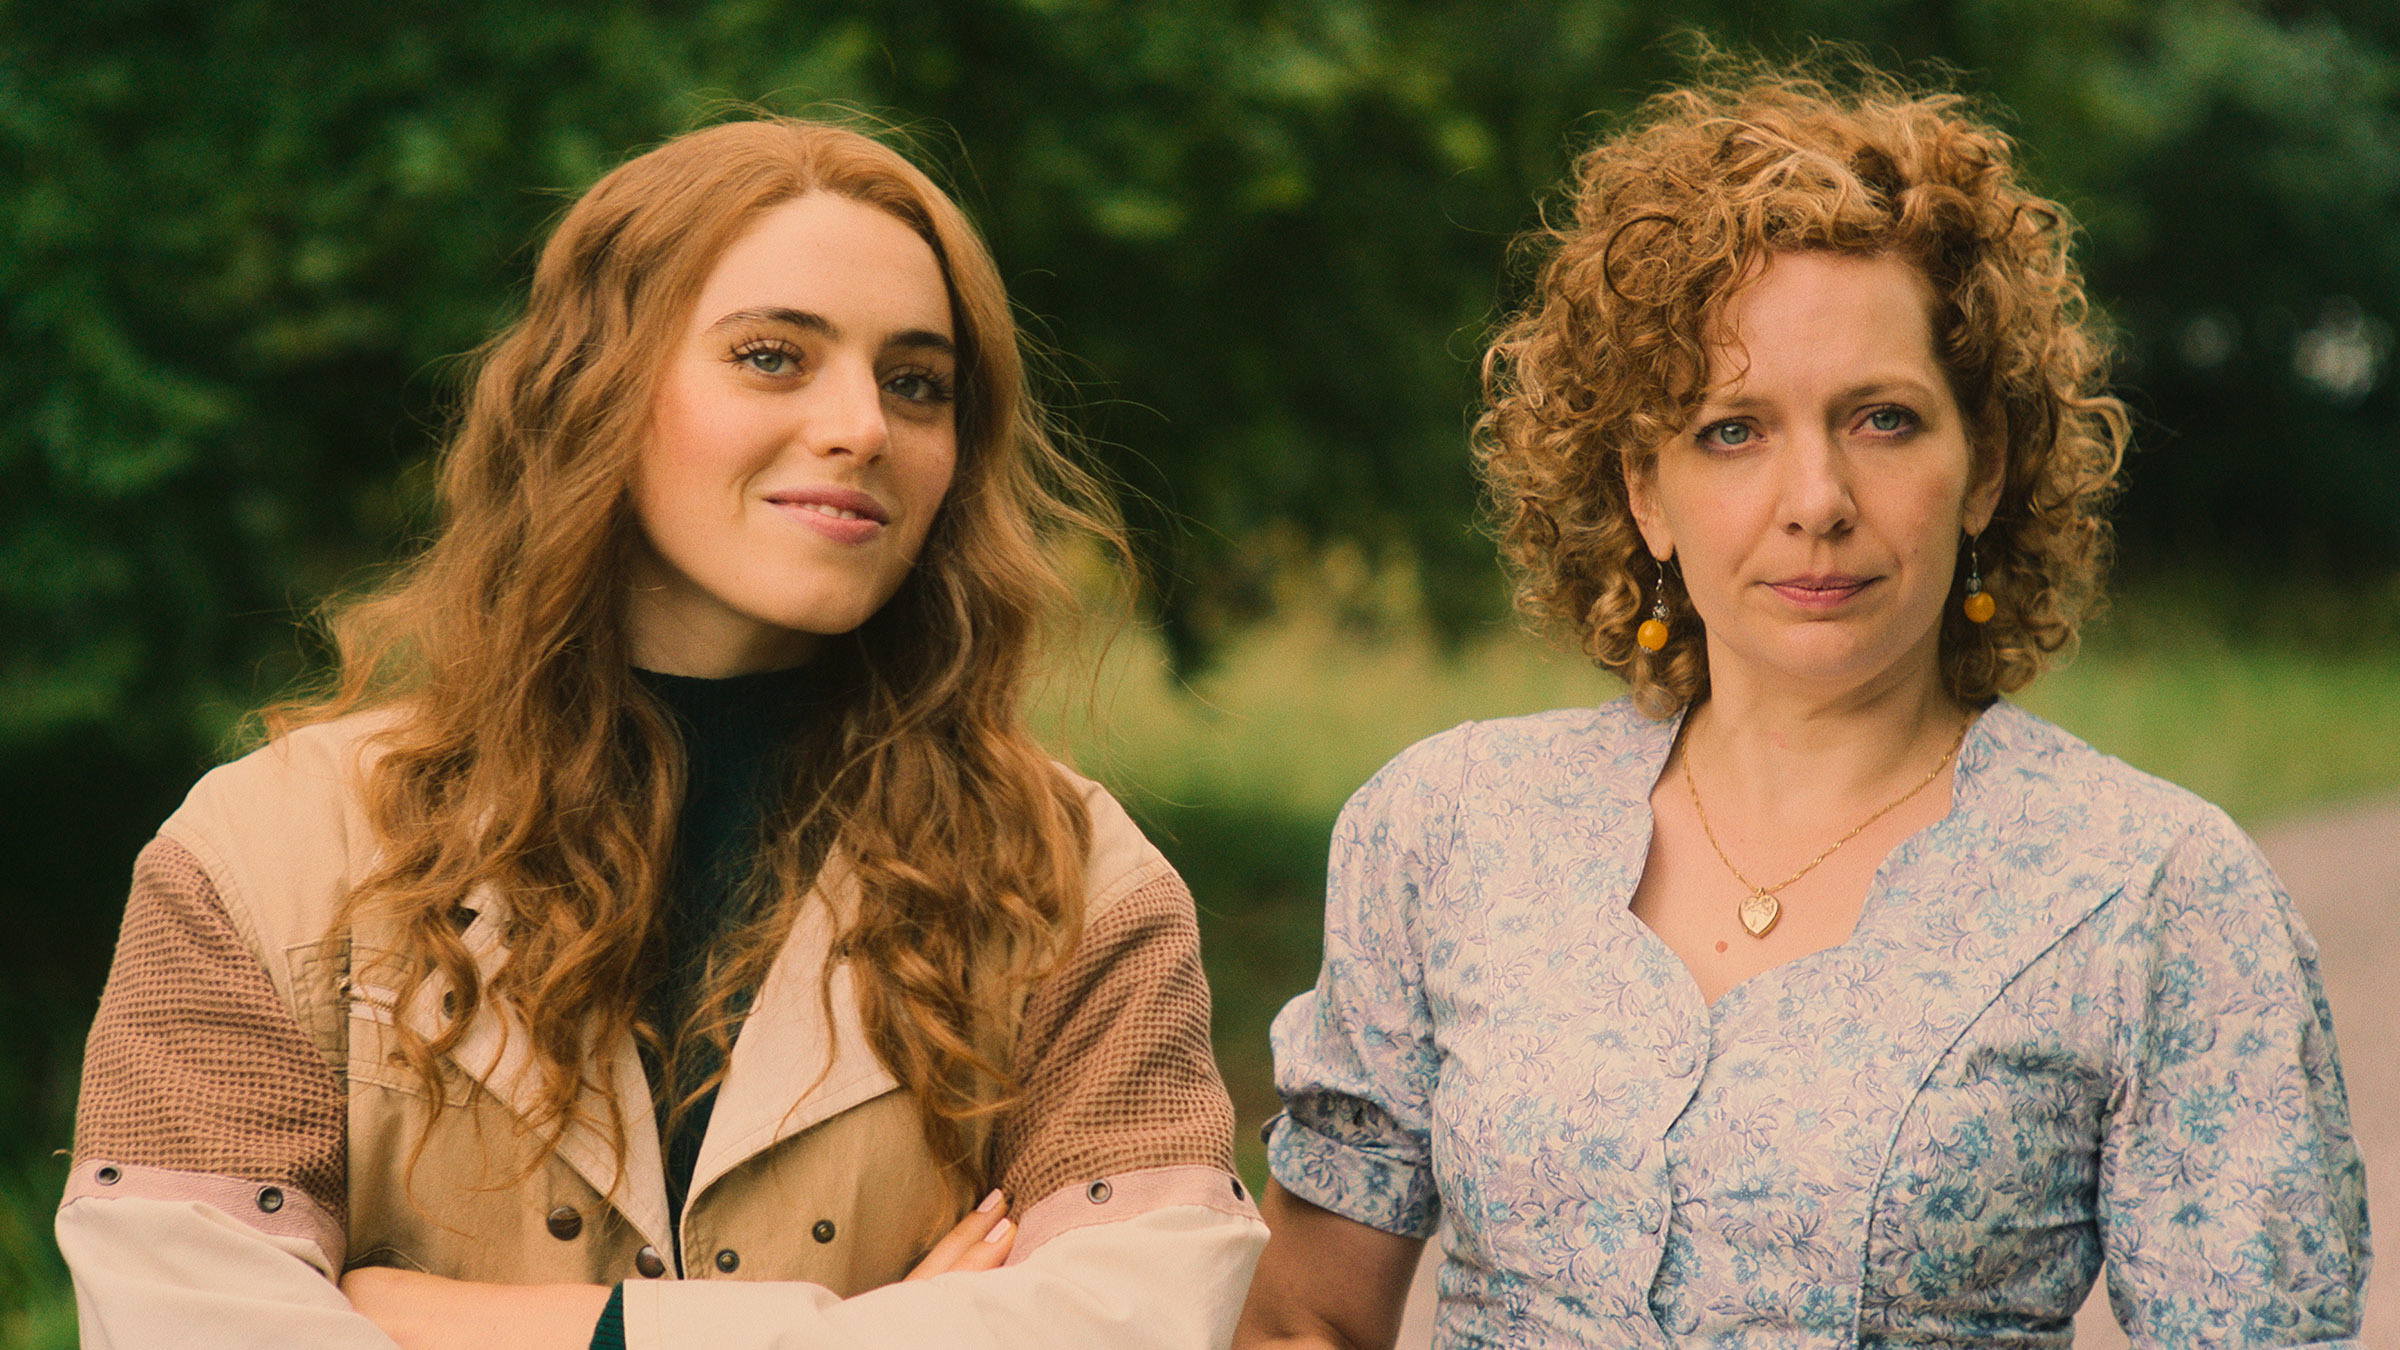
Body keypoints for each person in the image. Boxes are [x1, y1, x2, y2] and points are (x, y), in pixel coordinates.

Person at [58, 117, 1264, 1350]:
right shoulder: (264, 857)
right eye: (773, 358)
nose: (862, 426)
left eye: (917, 383)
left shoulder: (1069, 884)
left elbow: (1144, 1317)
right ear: (596, 389)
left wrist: (545, 1329)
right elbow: (179, 1321)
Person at [1236, 63, 2370, 1349]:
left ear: (1986, 466)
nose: (1817, 499)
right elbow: (1305, 1324)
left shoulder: (2152, 894)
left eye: (1883, 420)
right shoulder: (1449, 830)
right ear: (1645, 491)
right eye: (1733, 430)